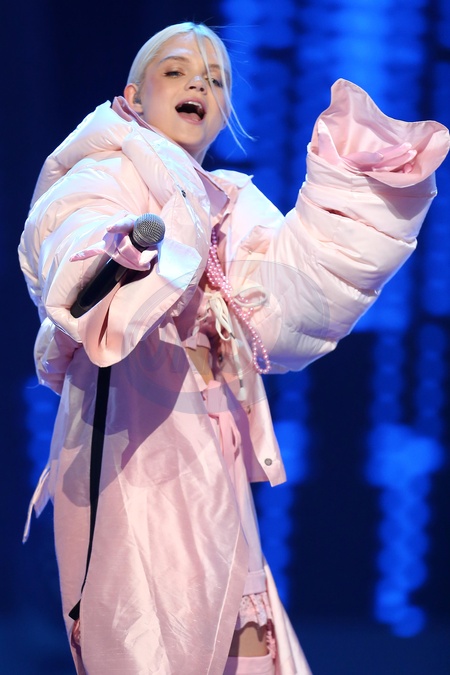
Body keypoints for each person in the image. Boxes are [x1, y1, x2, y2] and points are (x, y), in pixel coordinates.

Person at [19, 21, 449, 675]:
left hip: (209, 449)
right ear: (132, 97)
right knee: (149, 637)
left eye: (216, 79)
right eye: (176, 70)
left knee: (240, 645)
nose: (199, 83)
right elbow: (70, 242)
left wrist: (352, 187)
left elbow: (295, 298)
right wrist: (128, 254)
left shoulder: (230, 202)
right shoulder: (101, 173)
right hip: (131, 443)